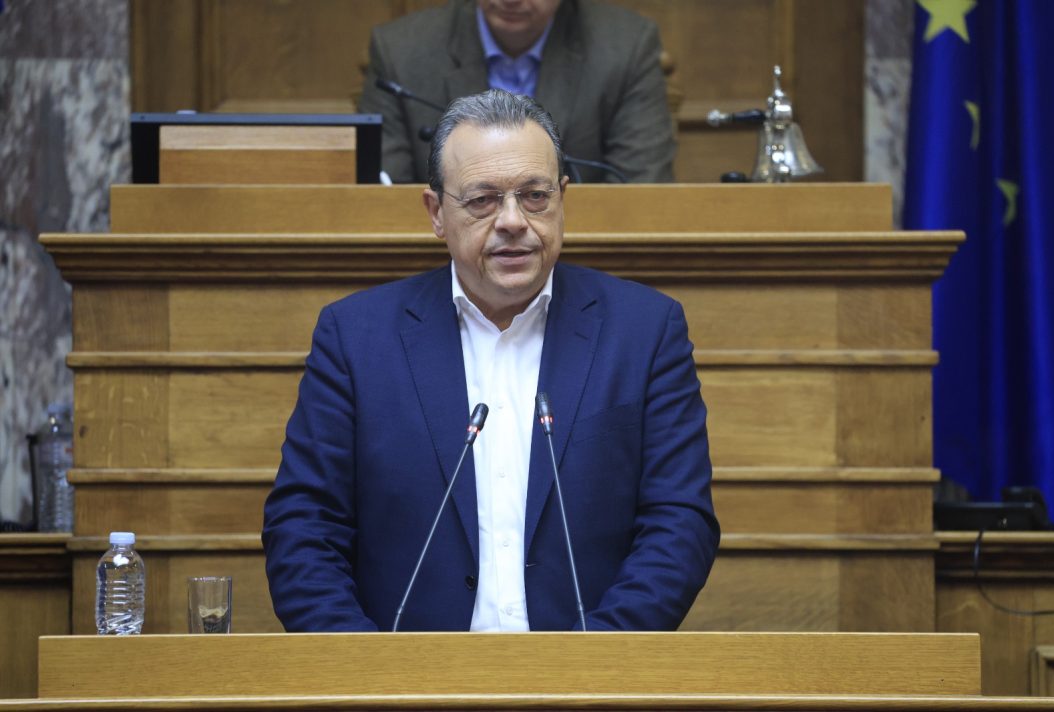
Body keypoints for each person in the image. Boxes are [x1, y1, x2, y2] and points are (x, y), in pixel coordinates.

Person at [262, 90, 717, 632]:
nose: (513, 221)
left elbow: (678, 523)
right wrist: (368, 668)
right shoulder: (356, 338)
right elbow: (304, 527)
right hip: (405, 673)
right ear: (436, 213)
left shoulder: (644, 330)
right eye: (483, 200)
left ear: (563, 198)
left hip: (591, 669)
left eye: (535, 196)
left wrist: (593, 662)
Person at [358, 0, 676, 184]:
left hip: (580, 260)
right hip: (440, 261)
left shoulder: (626, 48)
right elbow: (386, 192)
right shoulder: (401, 51)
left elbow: (640, 185)